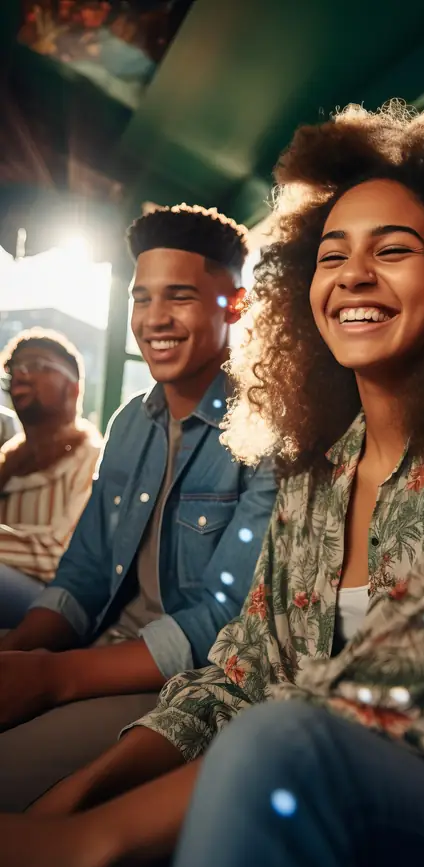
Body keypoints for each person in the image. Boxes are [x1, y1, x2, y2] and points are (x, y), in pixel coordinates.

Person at [1, 102, 424, 867]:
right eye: (331, 255)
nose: (354, 273)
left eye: (393, 249)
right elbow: (240, 675)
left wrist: (88, 839)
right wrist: (69, 800)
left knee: (267, 747)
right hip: (309, 806)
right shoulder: (317, 469)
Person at [0, 204, 276, 812]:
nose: (154, 320)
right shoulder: (131, 422)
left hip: (174, 686)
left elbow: (224, 619)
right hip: (91, 650)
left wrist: (49, 678)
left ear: (238, 306)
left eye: (178, 298)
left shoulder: (267, 429)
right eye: (140, 298)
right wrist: (20, 653)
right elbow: (84, 572)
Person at [0, 330, 101, 626]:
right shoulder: (9, 457)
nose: (21, 374)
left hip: (56, 602)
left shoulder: (92, 456)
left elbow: (63, 554)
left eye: (38, 365)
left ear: (73, 388)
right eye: (13, 368)